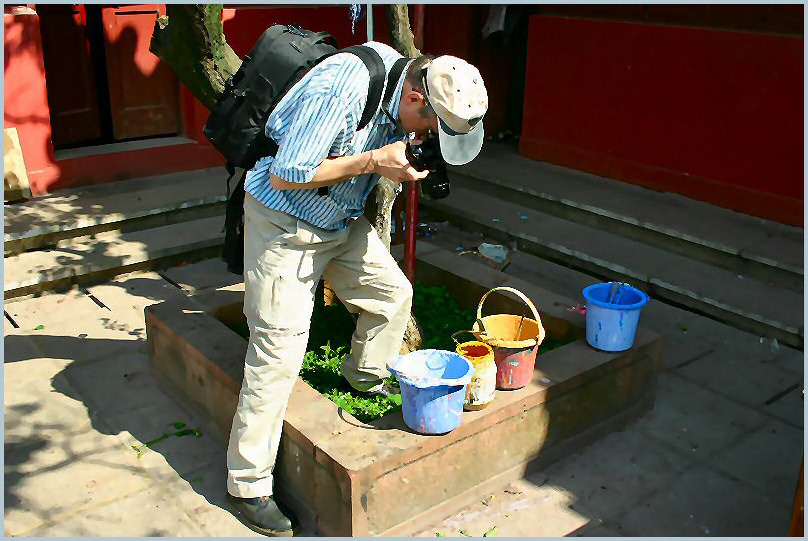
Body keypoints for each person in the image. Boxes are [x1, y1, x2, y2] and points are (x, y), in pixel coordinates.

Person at [225, 39, 489, 536]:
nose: (431, 137)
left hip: (339, 221)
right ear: (416, 98)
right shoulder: (346, 85)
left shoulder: (409, 86)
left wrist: (398, 162)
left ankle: (363, 376)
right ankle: (247, 483)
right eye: (433, 126)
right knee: (278, 351)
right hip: (285, 223)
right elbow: (288, 173)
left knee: (392, 296)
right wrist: (373, 163)